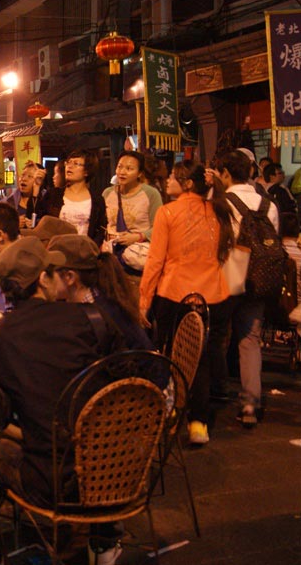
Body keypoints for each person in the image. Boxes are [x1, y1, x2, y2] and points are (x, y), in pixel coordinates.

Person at [0, 236, 127, 564]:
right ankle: (102, 537)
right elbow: (128, 385)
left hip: (51, 483)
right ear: (43, 279)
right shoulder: (93, 320)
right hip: (119, 468)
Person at [140, 161, 234, 444]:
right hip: (213, 295)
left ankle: (170, 412)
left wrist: (144, 299)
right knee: (201, 358)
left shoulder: (167, 212)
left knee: (171, 354)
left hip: (175, 293)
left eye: (173, 176)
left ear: (188, 183)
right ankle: (198, 423)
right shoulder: (219, 211)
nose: (168, 179)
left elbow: (156, 260)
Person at [215, 150, 279, 431]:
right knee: (249, 340)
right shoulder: (269, 204)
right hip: (261, 277)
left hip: (230, 272)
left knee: (217, 333)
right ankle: (250, 403)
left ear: (226, 174)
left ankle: (215, 391)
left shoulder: (222, 202)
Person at [48, 234, 153, 351]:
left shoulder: (101, 315)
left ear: (70, 277)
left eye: (49, 273)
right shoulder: (94, 297)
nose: (43, 279)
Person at [37, 149, 107, 247]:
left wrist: (92, 249)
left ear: (86, 171)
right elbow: (37, 220)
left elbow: (101, 230)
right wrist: (36, 188)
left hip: (84, 253)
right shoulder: (53, 195)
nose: (70, 166)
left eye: (76, 163)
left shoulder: (97, 200)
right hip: (55, 253)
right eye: (68, 162)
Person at [262, 163, 296, 230]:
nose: (283, 175)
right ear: (271, 176)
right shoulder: (279, 190)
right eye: (280, 173)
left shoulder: (263, 189)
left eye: (283, 172)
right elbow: (286, 207)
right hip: (283, 223)